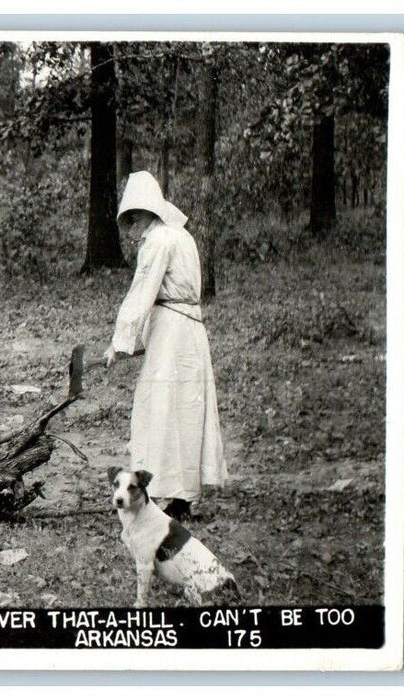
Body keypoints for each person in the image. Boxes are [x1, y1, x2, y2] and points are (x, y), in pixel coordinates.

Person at [104, 171, 227, 521]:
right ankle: (182, 496)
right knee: (184, 409)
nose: (131, 230)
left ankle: (160, 495)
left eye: (134, 220)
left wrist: (120, 342)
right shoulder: (182, 236)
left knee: (160, 409)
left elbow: (143, 292)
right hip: (187, 332)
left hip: (174, 337)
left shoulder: (159, 240)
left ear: (149, 214)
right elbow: (168, 296)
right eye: (128, 222)